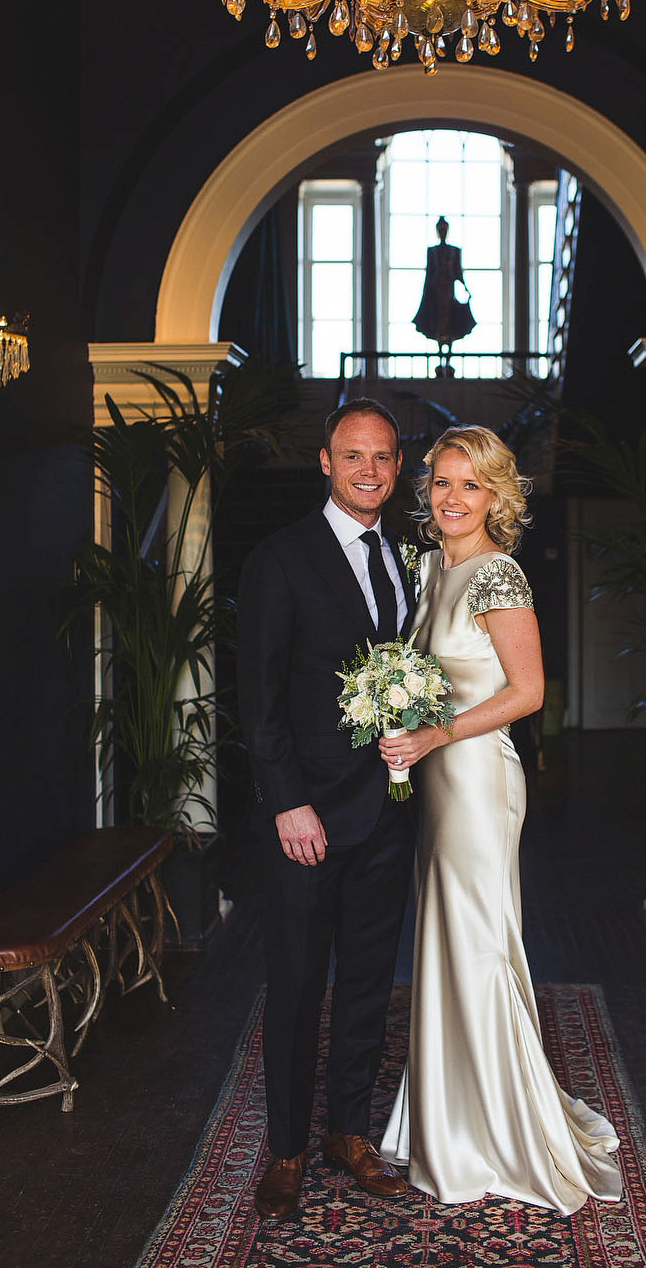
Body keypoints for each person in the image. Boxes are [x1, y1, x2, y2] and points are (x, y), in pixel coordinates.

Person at [377, 425, 622, 1215]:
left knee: (478, 941)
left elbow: (527, 693)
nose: (453, 498)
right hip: (436, 777)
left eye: (470, 486)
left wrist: (435, 734)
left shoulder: (497, 577)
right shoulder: (431, 567)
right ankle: (447, 1116)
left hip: (478, 782)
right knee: (444, 940)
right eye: (442, 483)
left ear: (497, 496)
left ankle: (492, 1130)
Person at [236, 399, 417, 1221]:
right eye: (354, 457)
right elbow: (260, 698)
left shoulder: (411, 560)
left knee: (371, 985)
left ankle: (349, 1137)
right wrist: (288, 805)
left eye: (382, 458)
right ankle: (286, 1150)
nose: (369, 471)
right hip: (306, 821)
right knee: (299, 984)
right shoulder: (280, 560)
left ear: (397, 466)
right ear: (325, 463)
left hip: (389, 813)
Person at [412, 216, 476, 373]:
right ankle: (442, 360)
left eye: (444, 230)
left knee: (450, 324)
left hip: (449, 294)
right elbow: (429, 273)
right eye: (440, 230)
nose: (442, 232)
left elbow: (458, 272)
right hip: (436, 294)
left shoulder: (454, 251)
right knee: (438, 324)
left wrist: (465, 288)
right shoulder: (432, 251)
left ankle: (447, 361)